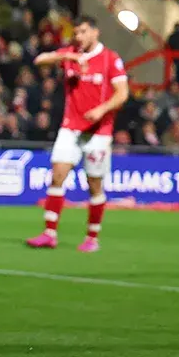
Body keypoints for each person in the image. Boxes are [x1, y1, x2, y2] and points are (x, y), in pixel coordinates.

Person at [26, 16, 128, 253]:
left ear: (95, 32)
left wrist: (101, 110)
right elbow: (39, 60)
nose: (78, 37)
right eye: (76, 33)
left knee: (94, 184)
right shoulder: (71, 53)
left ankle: (92, 237)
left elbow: (122, 94)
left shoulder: (110, 59)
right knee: (57, 176)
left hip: (98, 131)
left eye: (82, 32)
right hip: (70, 127)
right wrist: (65, 56)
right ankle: (49, 233)